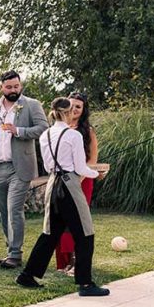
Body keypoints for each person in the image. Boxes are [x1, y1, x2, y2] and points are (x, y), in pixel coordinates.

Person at [17, 98, 109, 297]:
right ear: (67, 113)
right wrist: (97, 173)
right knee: (85, 234)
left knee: (50, 233)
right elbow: (80, 168)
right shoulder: (73, 135)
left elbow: (50, 166)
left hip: (52, 185)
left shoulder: (45, 135)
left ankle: (27, 275)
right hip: (69, 185)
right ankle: (85, 284)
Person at [0, 70, 48, 269]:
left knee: (14, 209)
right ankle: (10, 249)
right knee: (3, 212)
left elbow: (43, 128)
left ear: (20, 86)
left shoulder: (32, 104)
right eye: (9, 87)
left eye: (16, 86)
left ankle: (15, 254)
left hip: (20, 167)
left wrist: (18, 131)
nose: (13, 90)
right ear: (1, 87)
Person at [55, 91, 98, 274]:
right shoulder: (57, 129)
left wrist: (77, 178)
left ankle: (76, 262)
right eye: (71, 105)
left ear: (83, 110)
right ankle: (63, 262)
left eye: (78, 107)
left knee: (78, 222)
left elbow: (93, 160)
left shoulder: (88, 132)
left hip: (82, 181)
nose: (74, 109)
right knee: (60, 220)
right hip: (61, 181)